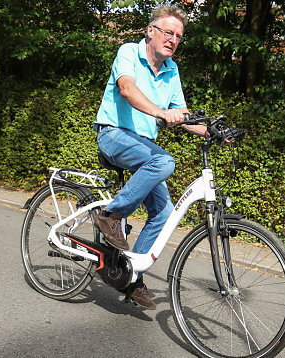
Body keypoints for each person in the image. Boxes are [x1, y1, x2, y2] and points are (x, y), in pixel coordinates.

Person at [93, 5, 208, 309]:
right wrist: (160, 112)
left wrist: (211, 131)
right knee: (165, 162)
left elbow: (182, 115)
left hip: (142, 146)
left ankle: (130, 276)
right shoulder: (129, 51)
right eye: (168, 32)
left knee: (165, 213)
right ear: (151, 31)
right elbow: (127, 90)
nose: (173, 39)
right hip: (113, 133)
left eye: (178, 36)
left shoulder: (172, 70)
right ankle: (110, 216)